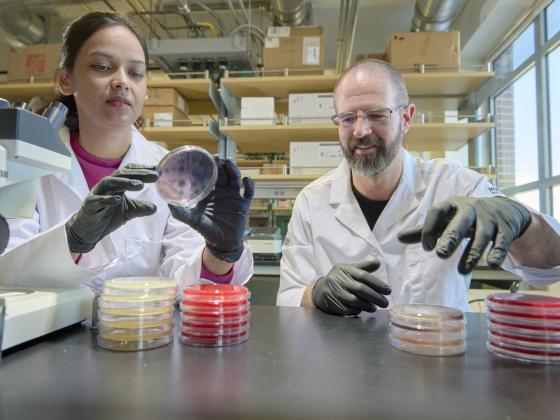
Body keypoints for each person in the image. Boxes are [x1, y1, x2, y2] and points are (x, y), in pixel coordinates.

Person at [277, 59, 560, 315]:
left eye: (377, 115)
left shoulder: (455, 184)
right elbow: (288, 296)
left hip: (437, 361)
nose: (361, 131)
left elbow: (549, 268)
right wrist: (315, 294)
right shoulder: (311, 202)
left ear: (407, 118)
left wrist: (525, 225)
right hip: (343, 364)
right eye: (348, 118)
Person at [0, 11, 254, 293]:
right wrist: (73, 241)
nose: (122, 81)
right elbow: (8, 272)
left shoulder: (170, 170)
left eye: (135, 73)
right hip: (48, 335)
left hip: (142, 333)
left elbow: (186, 280)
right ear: (65, 80)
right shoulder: (21, 164)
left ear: (145, 90)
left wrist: (221, 254)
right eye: (101, 67)